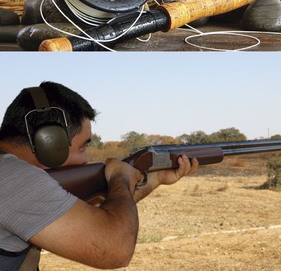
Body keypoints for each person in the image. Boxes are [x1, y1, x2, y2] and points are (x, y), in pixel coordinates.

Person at [0, 82, 200, 270]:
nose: (86, 159)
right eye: (83, 147)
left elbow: (93, 217)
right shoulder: (14, 179)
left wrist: (155, 178)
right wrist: (120, 177)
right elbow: (115, 250)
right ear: (50, 144)